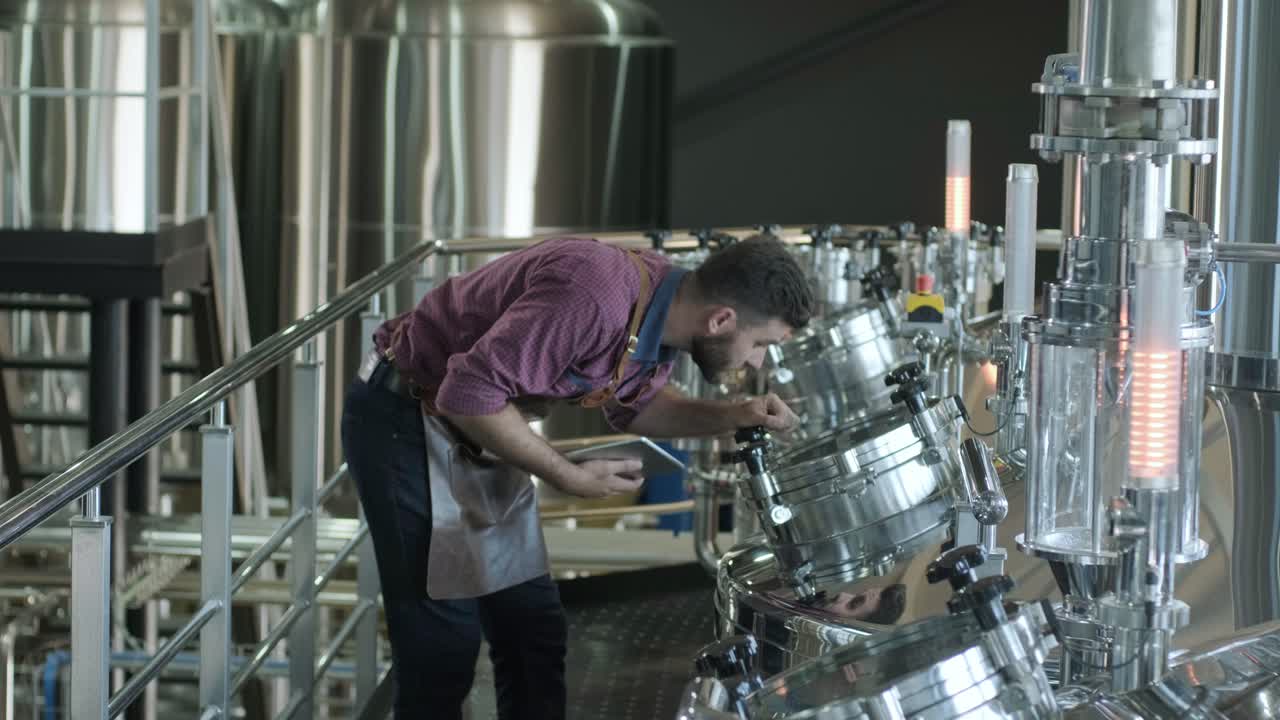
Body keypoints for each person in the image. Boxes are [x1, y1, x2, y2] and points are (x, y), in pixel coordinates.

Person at [341, 233, 815, 719]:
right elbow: (468, 393)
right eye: (761, 344)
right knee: (441, 648)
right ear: (721, 320)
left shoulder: (662, 309)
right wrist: (568, 475)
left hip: (478, 428)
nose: (756, 361)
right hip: (403, 420)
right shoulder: (591, 294)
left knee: (533, 632)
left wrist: (738, 414)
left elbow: (638, 407)